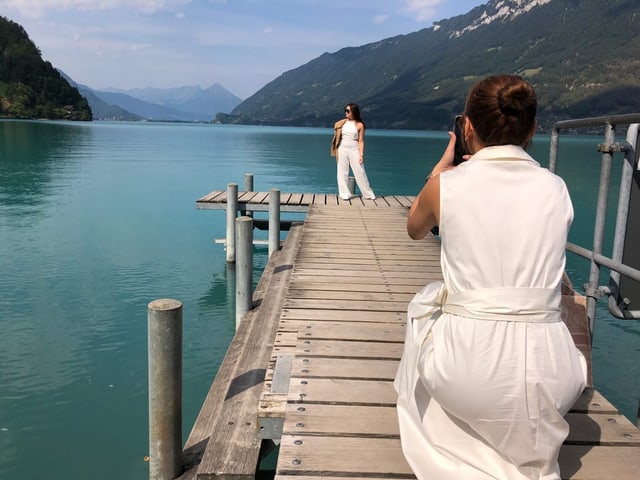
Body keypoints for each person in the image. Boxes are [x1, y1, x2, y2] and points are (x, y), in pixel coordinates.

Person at [394, 75, 588, 479]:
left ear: (466, 127)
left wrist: (439, 173)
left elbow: (414, 228)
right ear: (532, 129)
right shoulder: (556, 188)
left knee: (423, 311)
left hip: (469, 369)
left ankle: (464, 442)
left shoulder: (445, 186)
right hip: (551, 376)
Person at [330, 103, 376, 200]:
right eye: (345, 110)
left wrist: (361, 155)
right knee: (342, 172)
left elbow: (361, 141)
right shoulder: (342, 123)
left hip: (354, 149)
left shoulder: (360, 125)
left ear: (353, 112)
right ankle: (344, 194)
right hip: (342, 148)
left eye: (348, 111)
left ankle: (368, 194)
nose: (345, 112)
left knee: (360, 171)